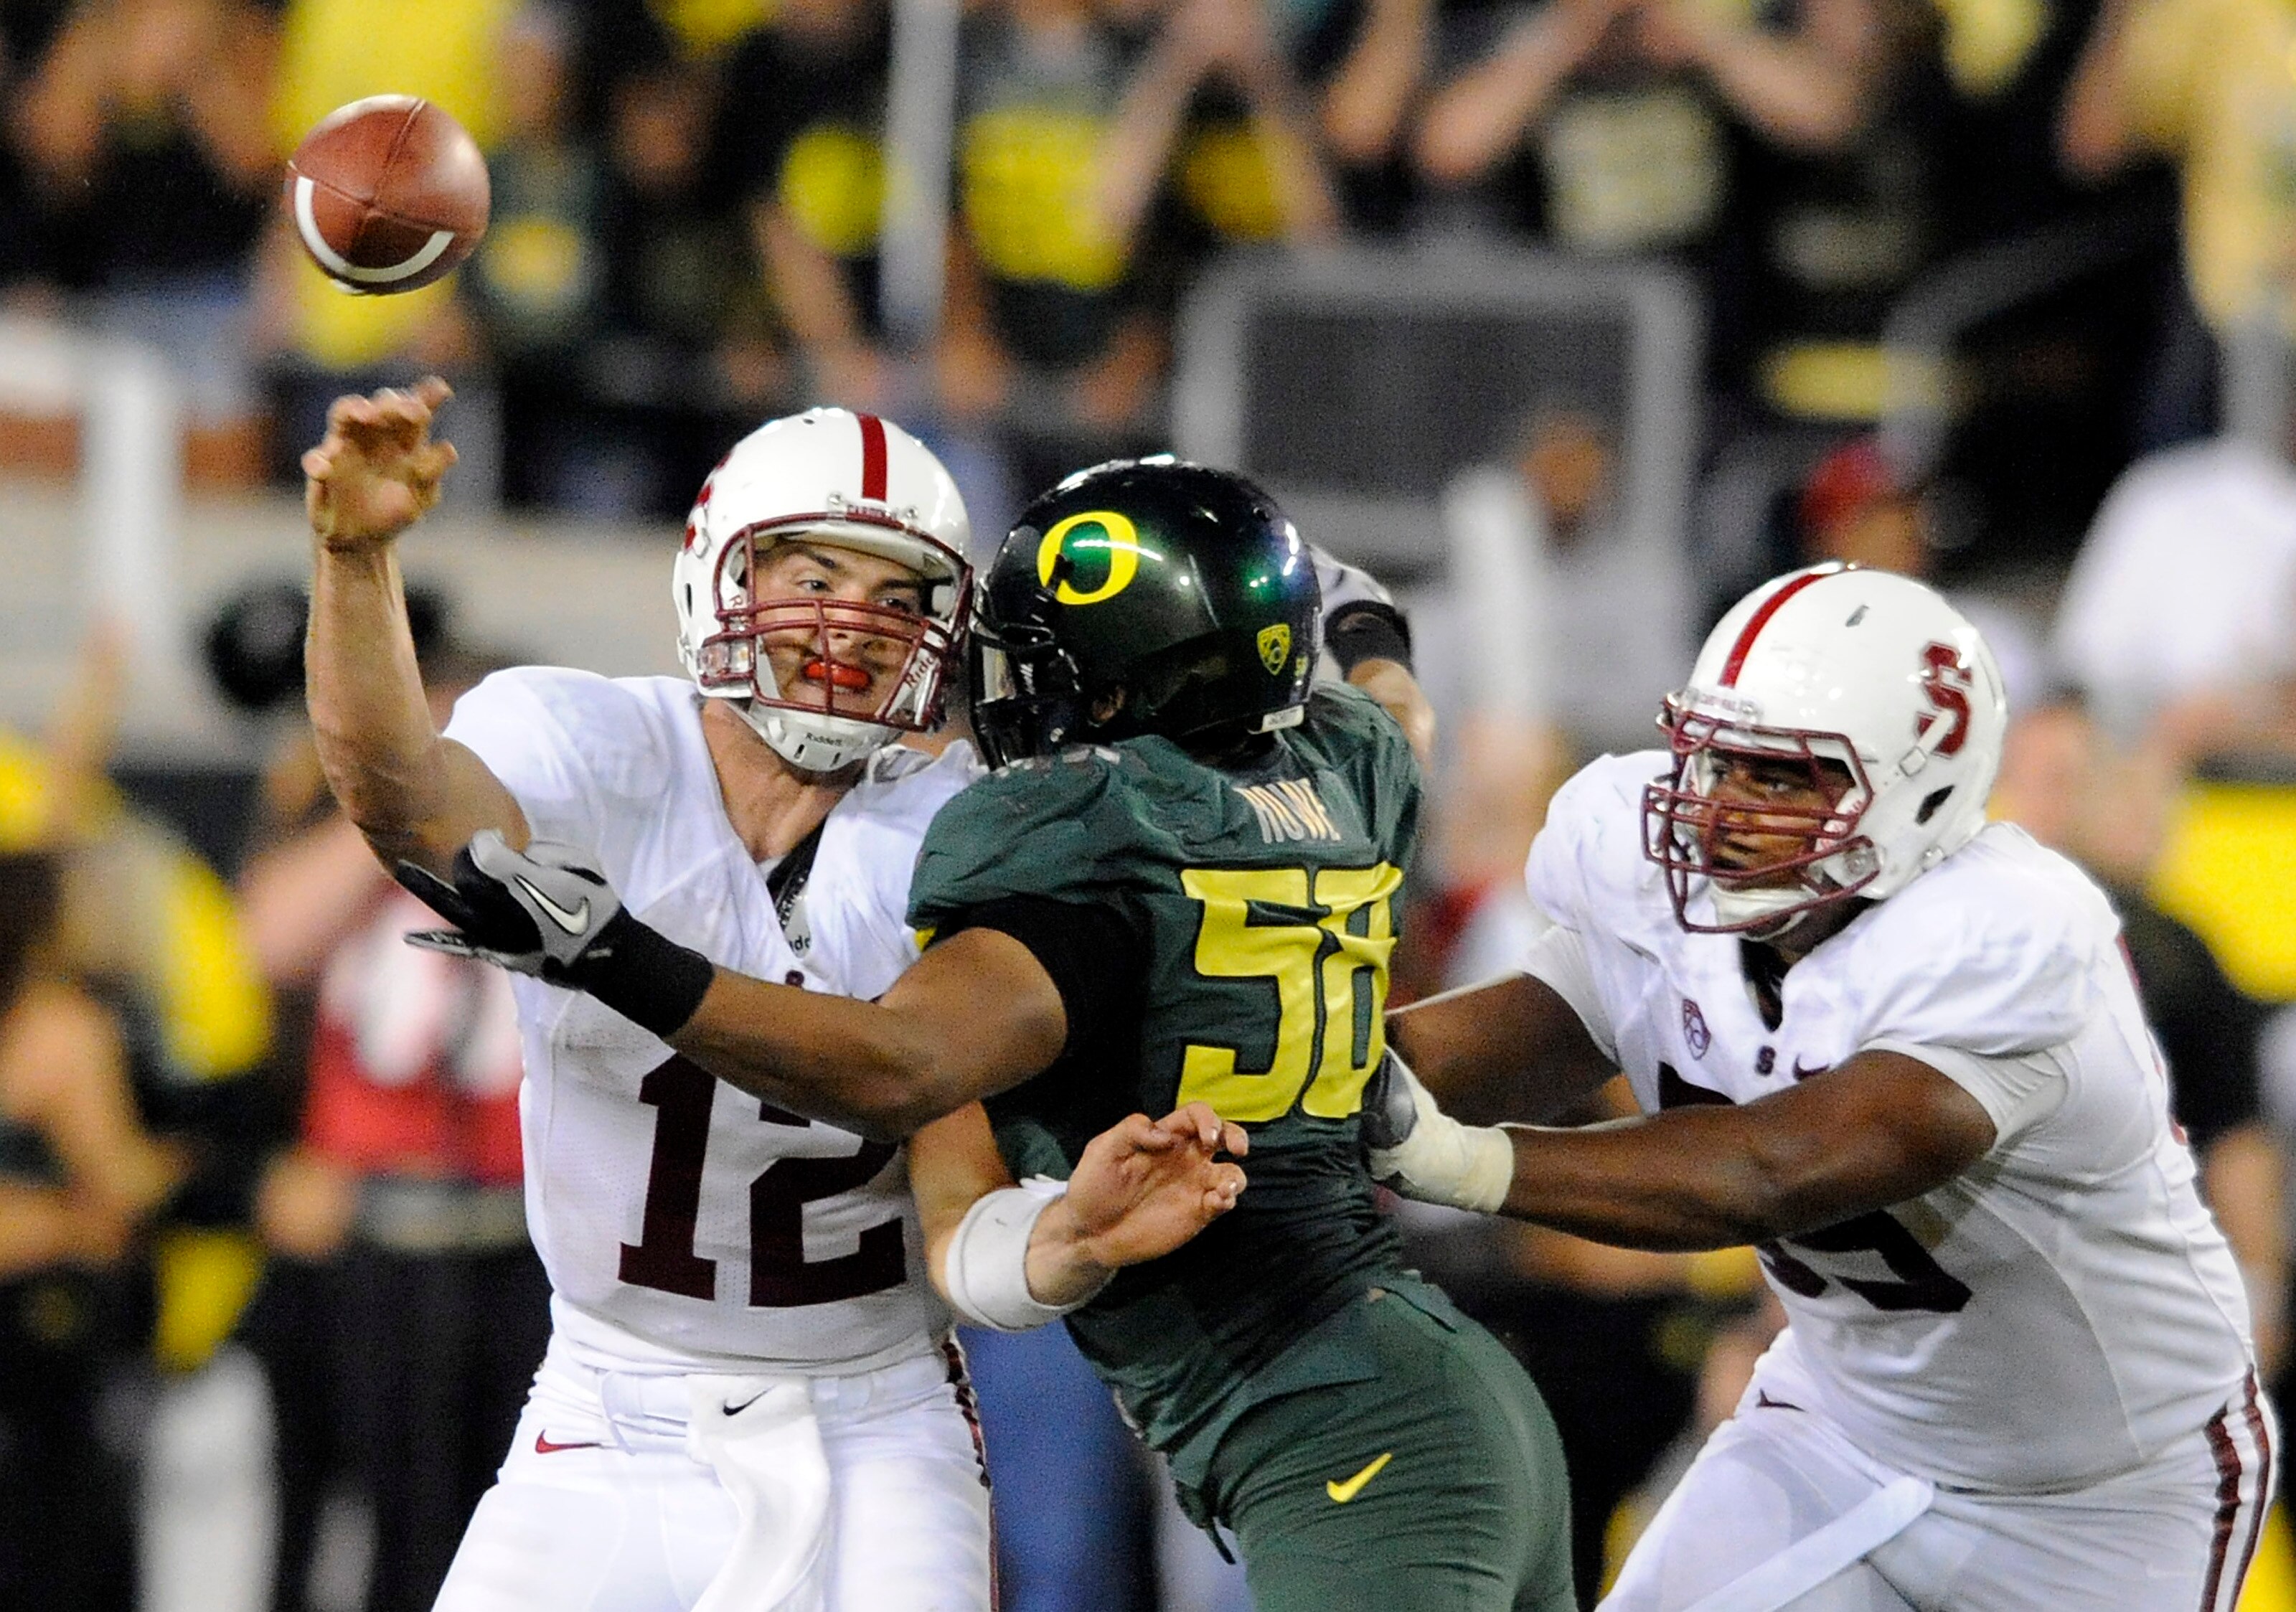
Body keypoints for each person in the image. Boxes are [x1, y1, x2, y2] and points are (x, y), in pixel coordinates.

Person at [410, 457, 1578, 1611]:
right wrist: (1352, 612)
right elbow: (1394, 699)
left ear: (1113, 685)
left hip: (1329, 1414)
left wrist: (613, 952)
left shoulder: (1072, 830)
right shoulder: (1351, 763)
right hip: (1421, 1380)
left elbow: (895, 1068)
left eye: (1040, 665)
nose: (1011, 699)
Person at [299, 380, 1248, 1611]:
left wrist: (1064, 1244)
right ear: (716, 574)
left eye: (898, 598)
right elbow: (407, 810)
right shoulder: (586, 745)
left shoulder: (963, 836)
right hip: (603, 1403)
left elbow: (956, 1204)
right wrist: (355, 559)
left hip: (875, 1423)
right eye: (811, 578)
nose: (850, 626)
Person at [1371, 560, 2274, 1611]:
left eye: (1783, 777)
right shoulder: (1663, 882)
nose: (1723, 811)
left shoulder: (2009, 941)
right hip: (1843, 1432)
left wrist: (1455, 1159)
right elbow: (1551, 1023)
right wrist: (1319, 1078)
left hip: (2100, 1494)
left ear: (1920, 789)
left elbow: (1773, 1168)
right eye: (1713, 761)